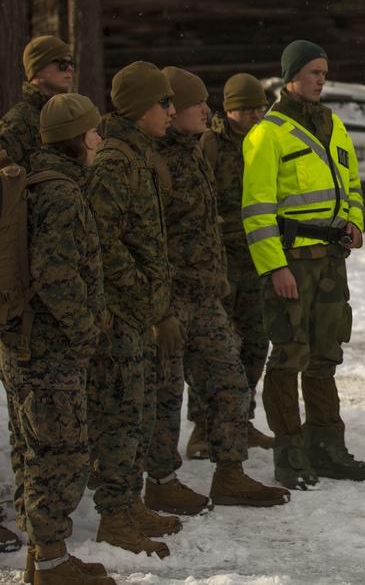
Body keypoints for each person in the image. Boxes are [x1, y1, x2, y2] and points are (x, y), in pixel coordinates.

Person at [144, 67, 289, 515]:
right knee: (165, 396)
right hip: (168, 297)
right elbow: (144, 236)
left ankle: (230, 474)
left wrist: (217, 275)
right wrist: (156, 304)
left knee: (230, 379)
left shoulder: (189, 151)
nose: (207, 110)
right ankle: (162, 481)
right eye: (196, 104)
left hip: (207, 291)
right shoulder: (150, 159)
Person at [242, 40, 365, 490]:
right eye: (314, 71)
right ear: (291, 75)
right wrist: (274, 268)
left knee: (325, 355)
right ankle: (290, 452)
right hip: (293, 261)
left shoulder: (332, 124)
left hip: (332, 260)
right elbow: (256, 210)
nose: (321, 79)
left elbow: (351, 182)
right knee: (289, 356)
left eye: (324, 71)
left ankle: (327, 447)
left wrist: (354, 221)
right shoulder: (268, 132)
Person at [1, 93, 116, 584]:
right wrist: (85, 330)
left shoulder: (33, 180)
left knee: (32, 451)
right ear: (75, 137)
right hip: (49, 348)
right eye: (93, 132)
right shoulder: (63, 193)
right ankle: (52, 566)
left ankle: (39, 559)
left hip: (22, 343)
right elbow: (54, 274)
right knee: (60, 455)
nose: (99, 140)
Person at [85, 61, 175, 558]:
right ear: (141, 108)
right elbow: (101, 236)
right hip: (120, 315)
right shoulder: (117, 158)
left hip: (138, 313)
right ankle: (113, 516)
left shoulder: (139, 153)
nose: (171, 110)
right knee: (118, 416)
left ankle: (130, 502)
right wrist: (138, 287)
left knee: (137, 412)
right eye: (164, 103)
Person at [186, 73, 274, 460]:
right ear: (229, 108)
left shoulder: (266, 140)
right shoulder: (210, 144)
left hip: (257, 259)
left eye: (259, 106)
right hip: (220, 263)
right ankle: (203, 427)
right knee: (214, 350)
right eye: (247, 107)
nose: (256, 113)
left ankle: (240, 419)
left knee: (255, 346)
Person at [0, 36, 76, 170]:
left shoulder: (60, 115)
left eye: (71, 64)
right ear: (38, 67)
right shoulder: (20, 121)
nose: (69, 68)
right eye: (62, 63)